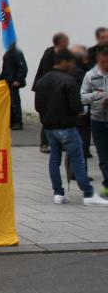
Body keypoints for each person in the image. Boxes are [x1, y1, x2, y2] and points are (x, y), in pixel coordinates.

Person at [34, 49, 108, 206]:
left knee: (54, 159)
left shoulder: (42, 81)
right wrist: (84, 109)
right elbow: (77, 106)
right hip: (67, 127)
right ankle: (88, 194)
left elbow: (38, 106)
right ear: (65, 62)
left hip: (49, 127)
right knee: (78, 159)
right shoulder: (68, 81)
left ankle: (58, 193)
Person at [33, 32, 70, 153]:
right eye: (65, 41)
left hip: (57, 88)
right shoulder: (50, 53)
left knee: (59, 114)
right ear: (60, 42)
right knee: (48, 116)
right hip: (47, 89)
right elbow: (47, 72)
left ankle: (59, 142)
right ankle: (44, 143)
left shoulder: (63, 54)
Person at [81, 46, 108, 196]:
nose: (105, 65)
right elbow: (82, 97)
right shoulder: (90, 75)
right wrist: (97, 96)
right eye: (102, 62)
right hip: (97, 120)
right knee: (103, 156)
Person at [0, 43, 28, 130]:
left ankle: (18, 122)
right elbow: (5, 69)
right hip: (8, 81)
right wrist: (0, 80)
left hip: (13, 83)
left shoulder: (16, 53)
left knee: (15, 102)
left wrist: (18, 80)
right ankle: (11, 121)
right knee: (10, 103)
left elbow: (23, 68)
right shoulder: (8, 54)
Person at [71, 45, 93, 158]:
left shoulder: (66, 70)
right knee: (82, 134)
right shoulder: (81, 73)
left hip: (69, 110)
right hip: (81, 110)